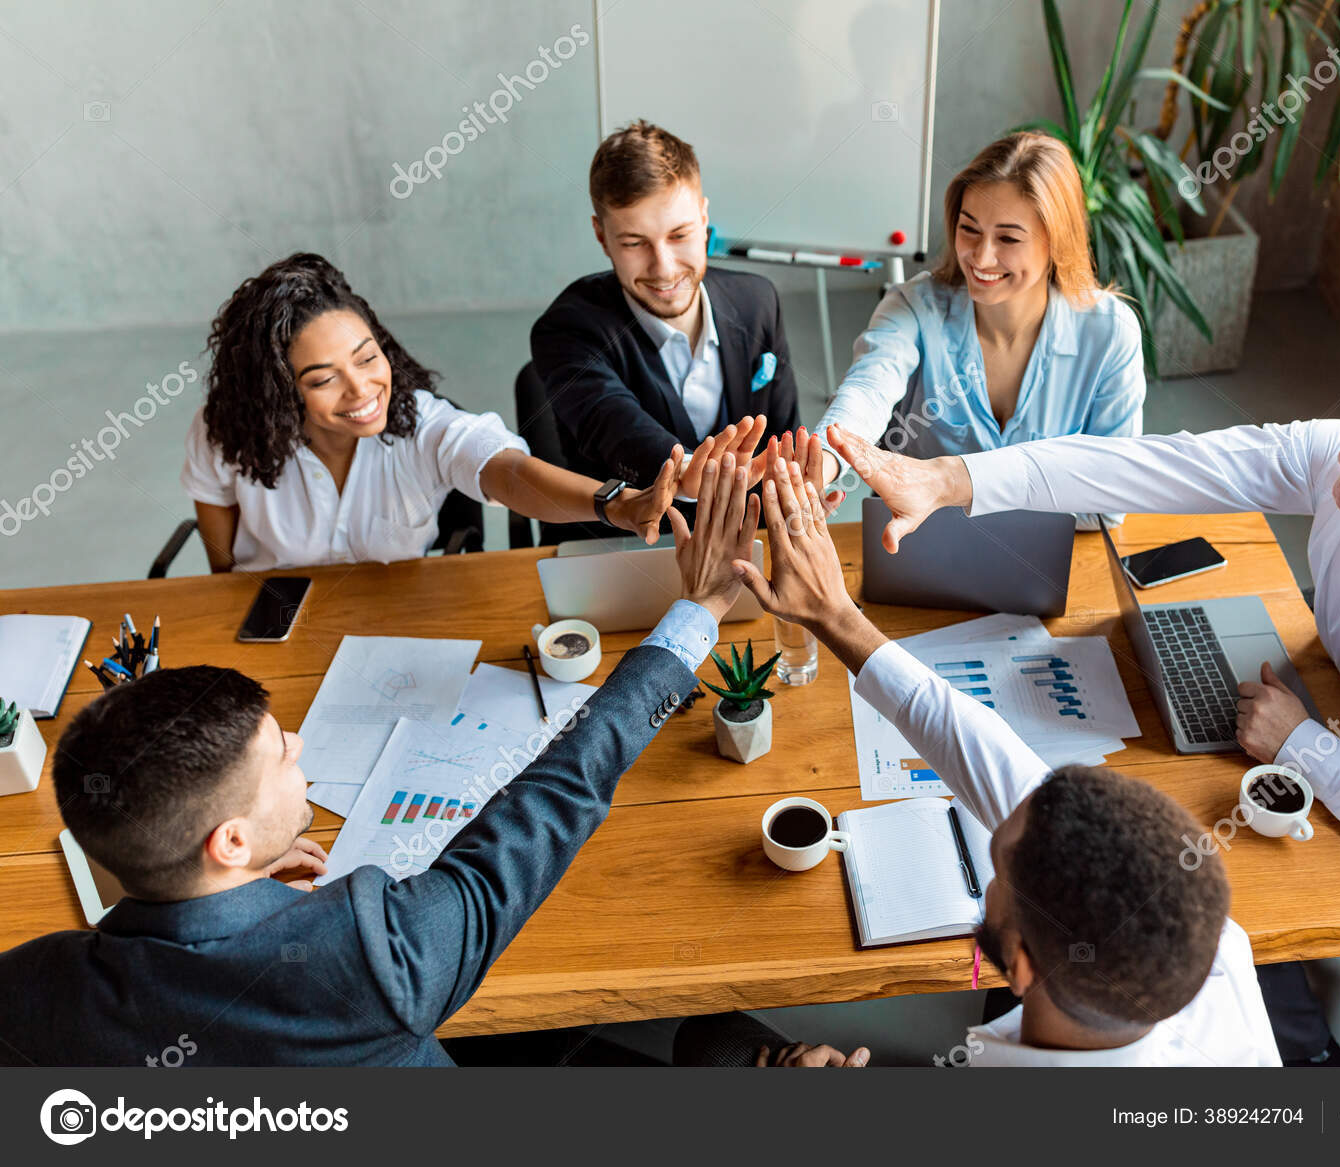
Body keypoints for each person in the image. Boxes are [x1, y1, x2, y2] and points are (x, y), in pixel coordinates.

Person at [825, 329, 1340, 1064]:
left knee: (1140, 901)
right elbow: (1158, 466)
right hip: (1319, 710)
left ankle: (1295, 1051)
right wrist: (951, 479)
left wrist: (1307, 748)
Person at [0, 455, 761, 1066]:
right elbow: (558, 793)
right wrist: (698, 611)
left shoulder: (34, 986)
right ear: (227, 841)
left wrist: (235, 888)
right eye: (279, 754)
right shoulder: (370, 954)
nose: (297, 745)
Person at [672, 460, 1279, 1068]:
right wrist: (835, 615)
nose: (993, 847)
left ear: (1017, 963)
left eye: (995, 866)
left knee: (703, 1042)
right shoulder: (1216, 948)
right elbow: (992, 760)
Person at [182, 252, 750, 573]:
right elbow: (222, 565)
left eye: (367, 358)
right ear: (278, 391)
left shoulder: (419, 424)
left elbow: (509, 474)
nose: (361, 390)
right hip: (276, 618)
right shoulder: (223, 432)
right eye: (324, 379)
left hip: (392, 622)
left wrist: (619, 505)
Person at [813, 132, 1144, 527]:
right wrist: (821, 462)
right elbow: (868, 391)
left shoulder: (1110, 333)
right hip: (916, 551)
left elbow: (1110, 502)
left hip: (1058, 562)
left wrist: (959, 491)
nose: (982, 256)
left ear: (1056, 241)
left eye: (1008, 238)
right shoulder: (913, 308)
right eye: (969, 229)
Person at [529, 120, 801, 497]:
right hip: (626, 545)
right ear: (601, 236)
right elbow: (614, 427)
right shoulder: (566, 328)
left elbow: (783, 439)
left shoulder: (758, 301)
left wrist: (800, 490)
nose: (664, 268)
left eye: (680, 235)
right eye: (634, 243)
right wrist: (690, 475)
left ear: (704, 220)